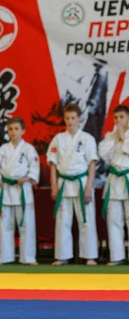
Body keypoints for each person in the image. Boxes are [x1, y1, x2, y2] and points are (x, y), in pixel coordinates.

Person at [47, 103, 99, 266]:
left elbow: (92, 164)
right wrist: (54, 185)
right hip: (63, 183)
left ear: (79, 119)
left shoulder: (87, 139)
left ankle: (90, 256)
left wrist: (89, 187)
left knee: (86, 219)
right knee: (63, 221)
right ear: (64, 119)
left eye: (73, 118)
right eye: (67, 118)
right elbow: (53, 164)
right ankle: (62, 256)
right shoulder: (58, 139)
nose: (70, 121)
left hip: (82, 183)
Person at [0, 117, 39, 265]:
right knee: (5, 226)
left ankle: (28, 257)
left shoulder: (29, 149)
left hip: (22, 190)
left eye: (17, 129)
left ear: (23, 131)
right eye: (11, 129)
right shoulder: (3, 149)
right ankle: (5, 257)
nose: (13, 132)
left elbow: (34, 169)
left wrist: (27, 178)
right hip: (6, 191)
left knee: (27, 225)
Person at [98, 105, 129, 266]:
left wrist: (124, 138)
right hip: (114, 181)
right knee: (114, 220)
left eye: (122, 117)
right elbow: (103, 154)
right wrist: (117, 139)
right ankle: (117, 256)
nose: (118, 121)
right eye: (116, 117)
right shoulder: (110, 136)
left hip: (128, 178)